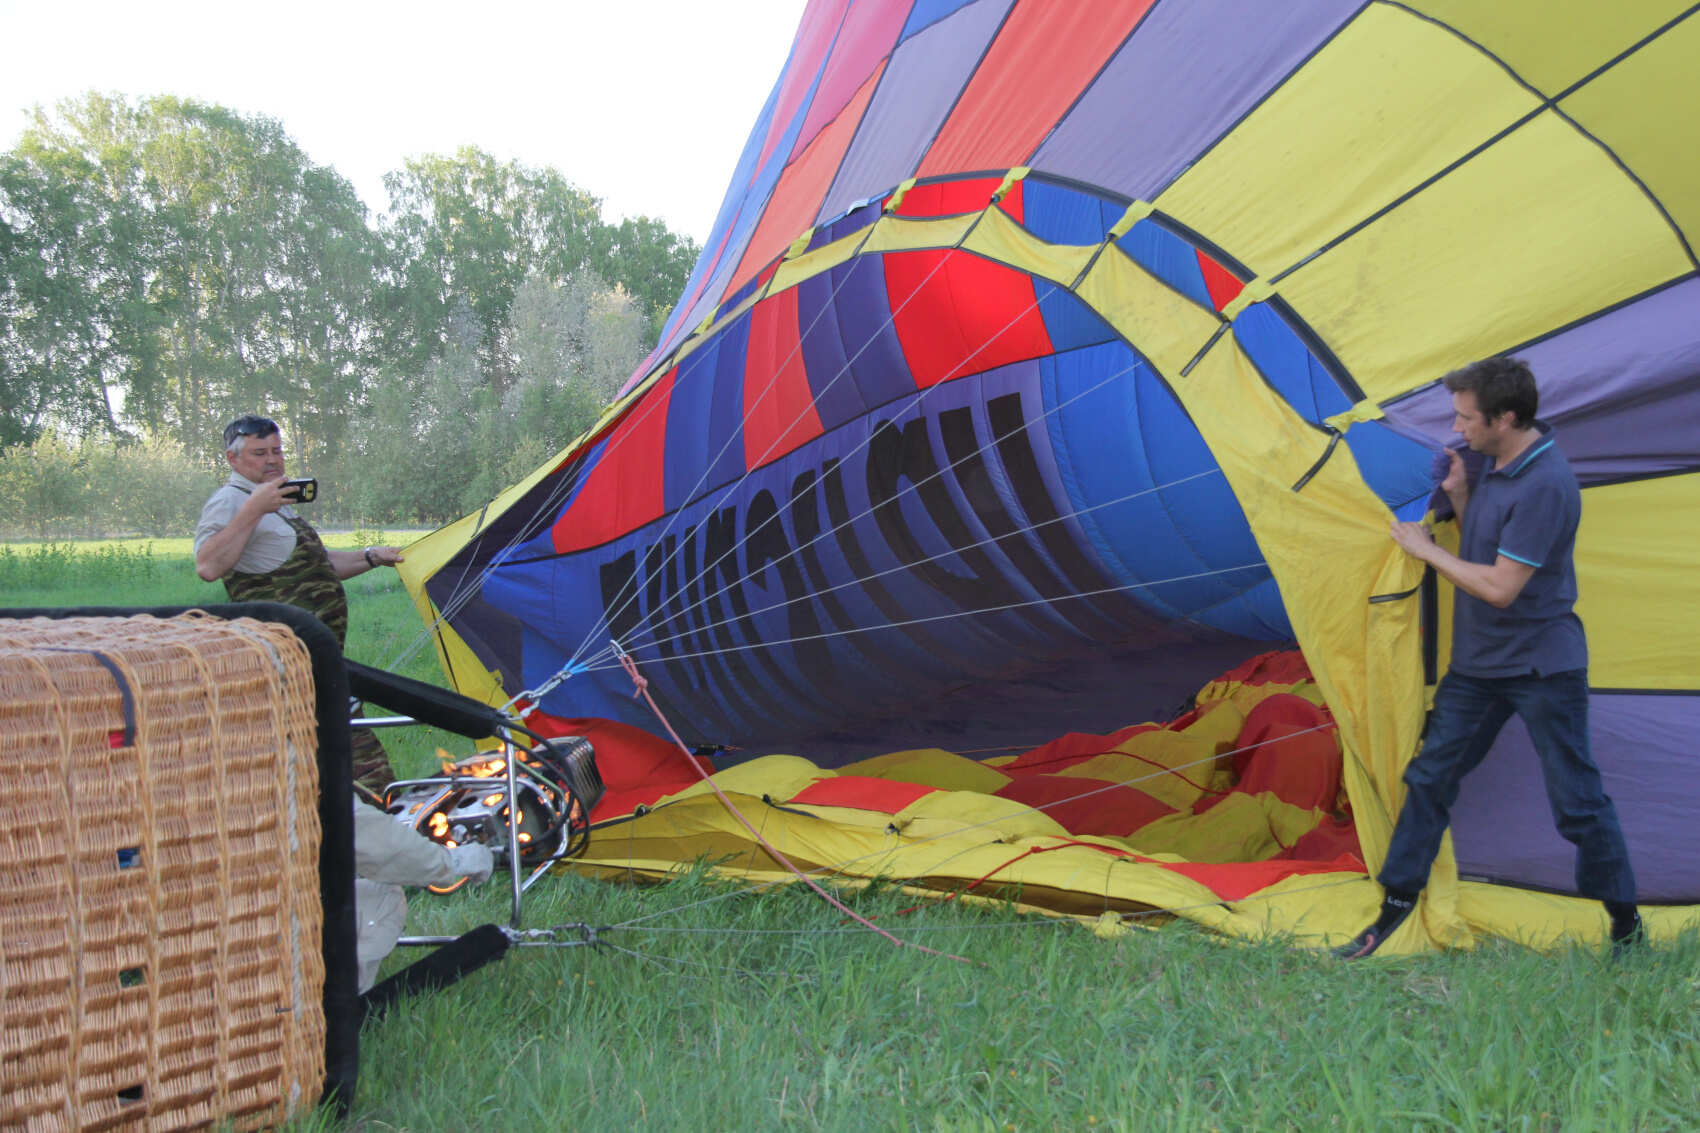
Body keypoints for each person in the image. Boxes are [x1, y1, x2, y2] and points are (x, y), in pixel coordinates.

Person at [1336, 357, 1640, 959]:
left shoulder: (1547, 484)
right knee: (1429, 778)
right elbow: (1495, 544)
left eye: (1466, 417)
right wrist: (1463, 495)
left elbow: (1502, 586)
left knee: (1578, 802)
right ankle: (1394, 909)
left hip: (1541, 668)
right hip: (1478, 666)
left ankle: (1627, 927)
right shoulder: (1495, 464)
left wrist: (1425, 550)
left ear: (1505, 417)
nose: (1457, 427)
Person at [195, 414, 405, 791]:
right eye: (260, 453)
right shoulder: (231, 502)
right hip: (283, 669)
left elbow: (320, 566)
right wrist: (253, 510)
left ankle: (354, 831)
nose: (273, 460)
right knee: (362, 770)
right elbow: (208, 565)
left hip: (316, 666)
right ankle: (379, 834)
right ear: (232, 459)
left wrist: (372, 556)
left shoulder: (276, 500)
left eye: (277, 450)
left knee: (338, 769)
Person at [352, 800, 495, 992]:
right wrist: (453, 860)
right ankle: (329, 1004)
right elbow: (372, 836)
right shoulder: (305, 779)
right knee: (383, 897)